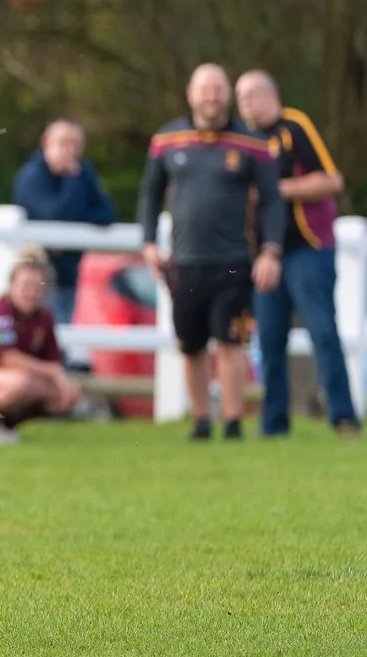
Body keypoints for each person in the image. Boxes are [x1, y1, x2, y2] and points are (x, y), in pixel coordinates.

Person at [139, 63, 285, 441]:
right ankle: (201, 420)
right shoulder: (166, 140)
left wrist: (271, 250)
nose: (212, 96)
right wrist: (149, 241)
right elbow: (150, 194)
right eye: (205, 88)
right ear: (191, 93)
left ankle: (233, 422)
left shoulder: (252, 143)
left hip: (234, 261)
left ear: (228, 94)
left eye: (218, 88)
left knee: (231, 341)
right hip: (185, 261)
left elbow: (272, 200)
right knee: (190, 344)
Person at [235, 71, 362, 438]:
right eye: (240, 97)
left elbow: (331, 180)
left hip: (308, 248)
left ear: (272, 94)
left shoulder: (295, 126)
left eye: (252, 95)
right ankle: (273, 423)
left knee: (323, 332)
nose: (245, 103)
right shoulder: (243, 141)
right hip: (266, 256)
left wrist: (276, 190)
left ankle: (343, 416)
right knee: (269, 339)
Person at [0, 247, 82, 446]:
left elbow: (52, 357)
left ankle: (6, 426)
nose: (30, 292)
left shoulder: (43, 317)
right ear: (11, 285)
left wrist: (59, 378)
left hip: (16, 378)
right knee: (22, 383)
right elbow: (8, 358)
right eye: (25, 285)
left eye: (37, 286)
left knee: (68, 395)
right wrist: (54, 373)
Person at [11, 118, 118, 325]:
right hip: (35, 281)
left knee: (59, 341)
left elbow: (107, 213)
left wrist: (74, 218)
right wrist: (72, 181)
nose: (70, 151)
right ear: (46, 142)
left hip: (67, 276)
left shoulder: (82, 174)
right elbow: (55, 215)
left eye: (76, 145)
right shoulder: (32, 177)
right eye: (63, 143)